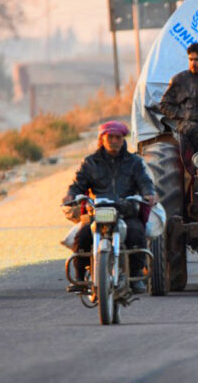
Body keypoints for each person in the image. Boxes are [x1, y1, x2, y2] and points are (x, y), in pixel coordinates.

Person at [63, 121, 156, 294]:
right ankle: (80, 277)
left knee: (136, 234)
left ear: (123, 140)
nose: (114, 140)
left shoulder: (134, 162)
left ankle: (135, 276)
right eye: (110, 137)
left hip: (125, 211)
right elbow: (78, 184)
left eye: (118, 137)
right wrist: (71, 194)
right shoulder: (90, 163)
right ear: (102, 139)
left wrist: (149, 193)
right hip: (98, 211)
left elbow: (144, 182)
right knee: (83, 236)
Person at [159, 42, 198, 155]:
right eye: (191, 59)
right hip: (186, 123)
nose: (193, 63)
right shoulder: (180, 80)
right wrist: (186, 114)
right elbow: (164, 105)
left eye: (197, 59)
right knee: (195, 129)